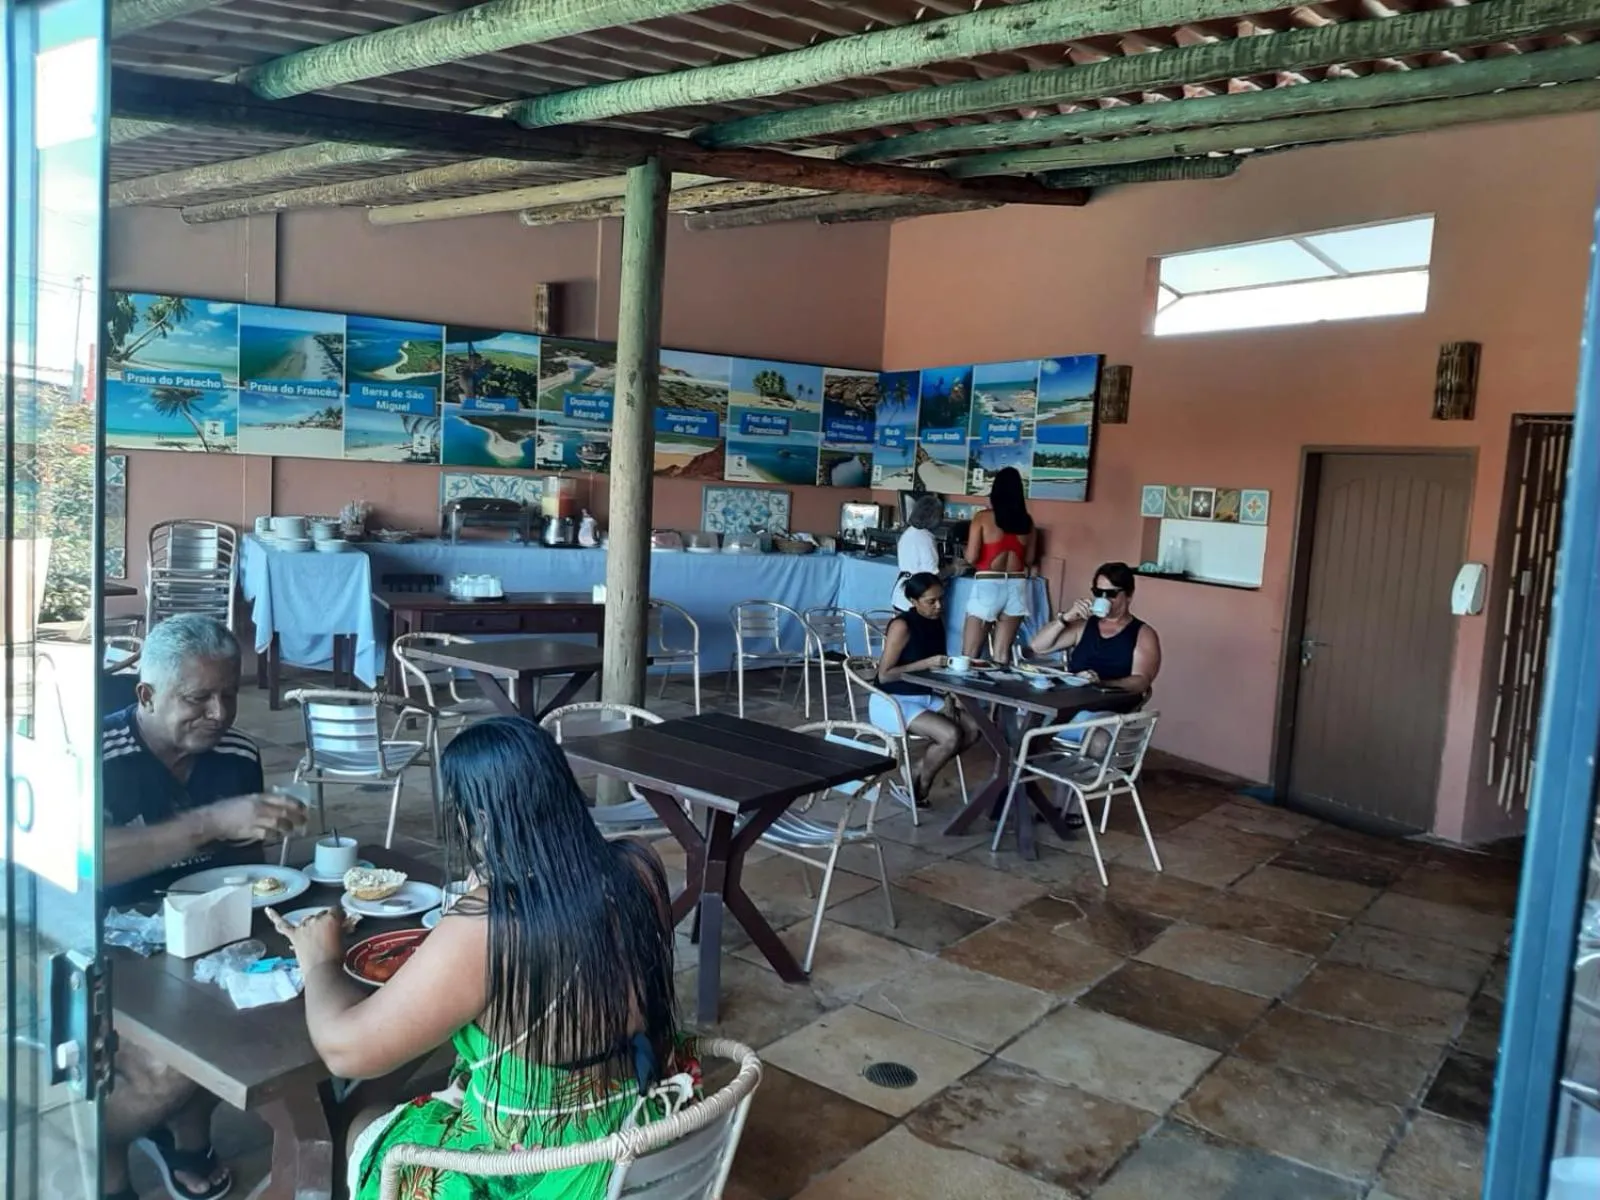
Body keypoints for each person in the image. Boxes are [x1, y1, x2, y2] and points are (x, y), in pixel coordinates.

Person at [271, 716, 689, 1200]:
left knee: (363, 1120)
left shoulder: (491, 924)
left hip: (544, 1169)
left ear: (482, 821)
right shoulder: (640, 864)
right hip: (633, 1122)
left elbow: (346, 1052)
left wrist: (318, 958)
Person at [102, 614, 307, 1200]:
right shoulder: (99, 753)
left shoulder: (235, 752)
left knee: (261, 1017)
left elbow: (254, 870)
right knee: (166, 1069)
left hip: (211, 931)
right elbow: (88, 861)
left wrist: (261, 836)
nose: (219, 714)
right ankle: (103, 1141)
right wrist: (210, 822)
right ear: (146, 694)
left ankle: (189, 1135)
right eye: (197, 699)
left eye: (228, 695)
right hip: (112, 940)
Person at [870, 573, 980, 806]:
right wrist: (926, 664)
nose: (939, 606)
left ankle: (918, 769)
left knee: (973, 729)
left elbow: (937, 672)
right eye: (931, 601)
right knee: (950, 735)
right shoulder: (902, 625)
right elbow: (885, 675)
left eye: (941, 599)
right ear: (913, 601)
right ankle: (922, 786)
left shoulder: (934, 621)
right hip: (892, 699)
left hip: (925, 696)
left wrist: (950, 699)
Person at [1029, 561, 1162, 696]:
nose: (1104, 599)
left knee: (1081, 718)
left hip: (1110, 706)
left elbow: (1141, 681)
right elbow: (1038, 646)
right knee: (1033, 711)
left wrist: (1100, 683)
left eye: (1111, 594)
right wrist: (1066, 618)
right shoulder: (1084, 625)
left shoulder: (1143, 633)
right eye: (1098, 592)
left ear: (1129, 595)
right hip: (1070, 700)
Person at [962, 466, 1038, 663]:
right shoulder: (1028, 522)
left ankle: (962, 694)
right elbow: (1029, 561)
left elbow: (971, 557)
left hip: (988, 585)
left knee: (970, 654)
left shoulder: (983, 518)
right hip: (1017, 585)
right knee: (1002, 654)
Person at [891, 493, 964, 611]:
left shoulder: (909, 532)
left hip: (901, 594)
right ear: (934, 518)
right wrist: (955, 568)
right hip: (918, 598)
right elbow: (932, 575)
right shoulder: (926, 538)